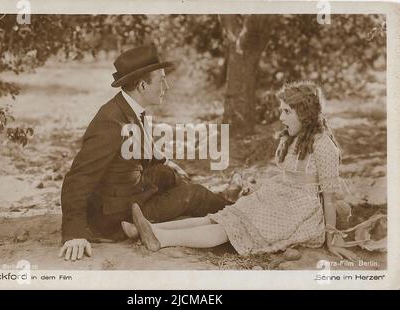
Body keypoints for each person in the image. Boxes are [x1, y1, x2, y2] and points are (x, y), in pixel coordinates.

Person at [125, 81, 358, 261]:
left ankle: (161, 238)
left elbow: (328, 198)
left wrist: (333, 239)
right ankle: (145, 228)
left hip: (300, 213)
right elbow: (287, 177)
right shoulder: (294, 139)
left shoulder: (324, 145)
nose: (280, 117)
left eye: (287, 112)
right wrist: (259, 189)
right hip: (279, 197)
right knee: (220, 217)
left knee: (229, 229)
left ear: (305, 114)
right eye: (282, 110)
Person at [59, 45, 231, 261]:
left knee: (168, 173)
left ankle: (218, 202)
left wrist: (168, 162)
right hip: (114, 216)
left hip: (127, 190)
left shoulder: (128, 107)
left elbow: (138, 149)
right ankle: (240, 213)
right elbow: (77, 179)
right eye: (161, 80)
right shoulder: (111, 122)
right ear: (142, 85)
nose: (166, 87)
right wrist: (74, 234)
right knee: (195, 194)